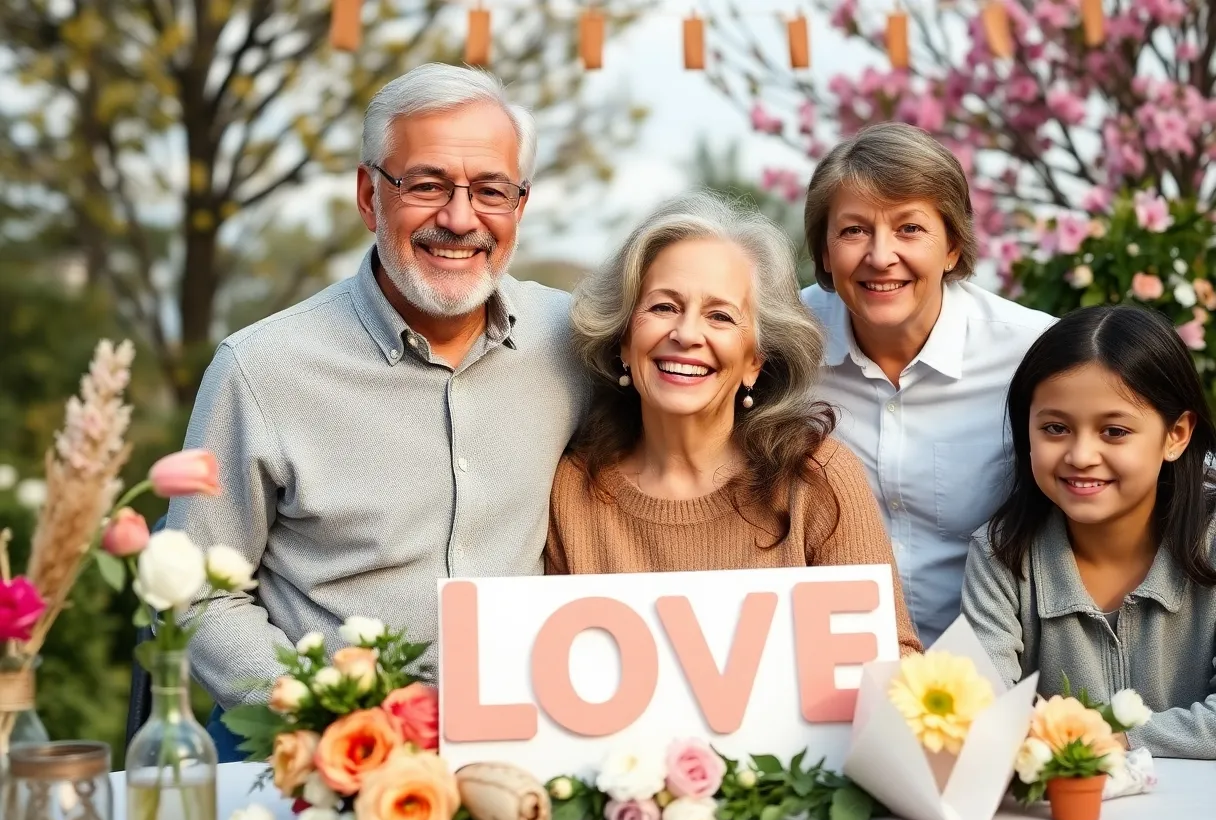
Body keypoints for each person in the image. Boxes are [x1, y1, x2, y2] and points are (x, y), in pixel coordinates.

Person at [166, 64, 586, 760]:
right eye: (425, 185)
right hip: (316, 756)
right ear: (369, 195)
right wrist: (324, 712)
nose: (459, 218)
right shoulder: (261, 369)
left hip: (525, 746)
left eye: (490, 191)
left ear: (520, 204)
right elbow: (197, 594)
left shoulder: (574, 341)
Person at [545, 191, 921, 657]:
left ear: (755, 362)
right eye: (663, 307)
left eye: (720, 316)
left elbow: (893, 663)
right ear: (624, 338)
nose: (685, 334)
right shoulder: (570, 491)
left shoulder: (817, 481)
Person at [800, 122, 1055, 646]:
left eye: (909, 229)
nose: (880, 255)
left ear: (953, 247)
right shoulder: (785, 343)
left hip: (995, 673)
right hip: (829, 674)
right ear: (825, 252)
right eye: (853, 231)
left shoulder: (1033, 353)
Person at [962, 305, 1216, 759]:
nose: (1081, 455)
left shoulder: (1212, 540)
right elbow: (985, 713)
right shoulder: (1002, 553)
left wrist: (1110, 739)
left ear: (1176, 435)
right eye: (1055, 428)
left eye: (1114, 431)